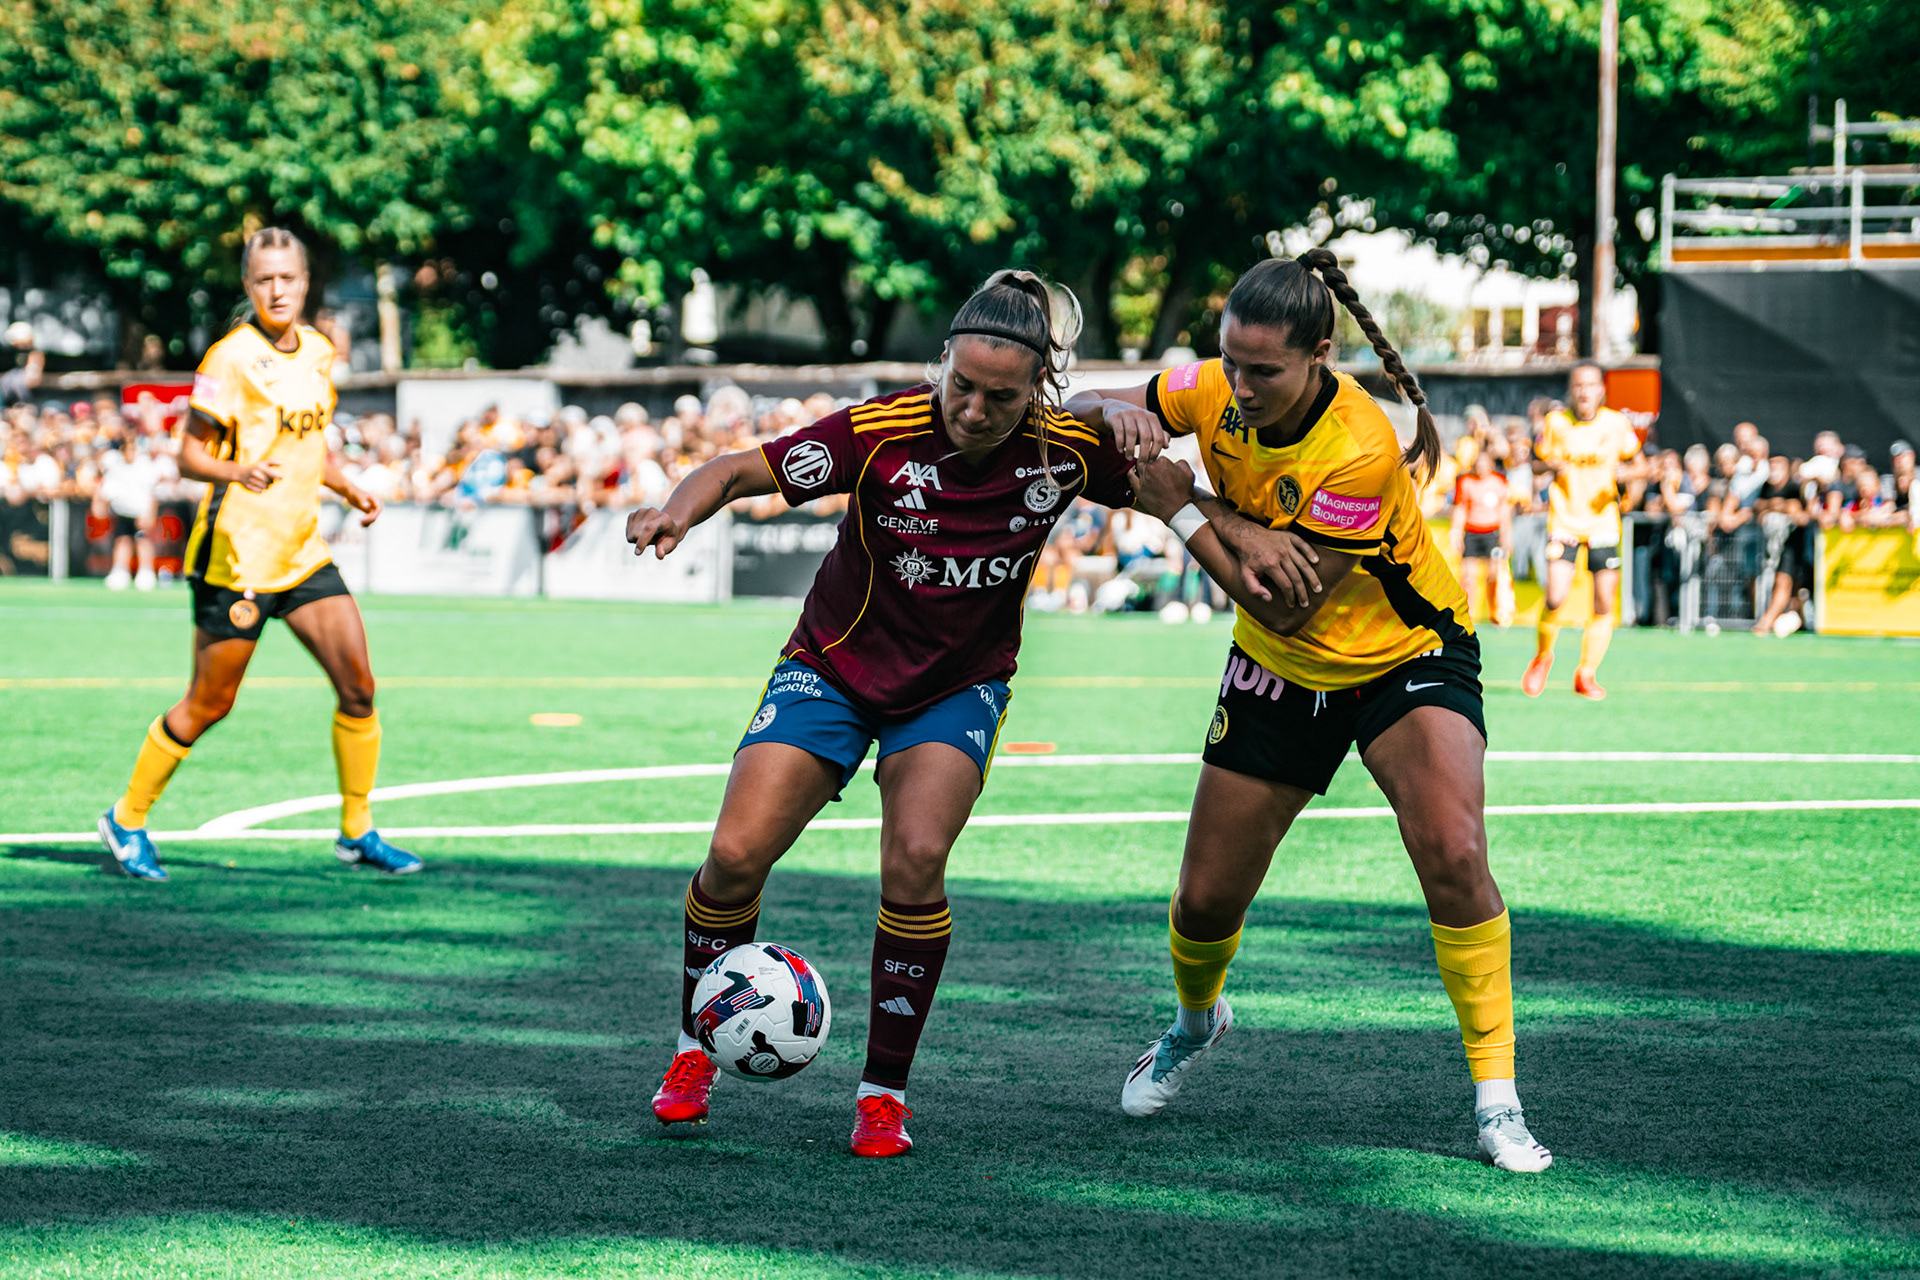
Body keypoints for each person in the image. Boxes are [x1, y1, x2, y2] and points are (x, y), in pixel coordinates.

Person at [627, 270, 1136, 1158]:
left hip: (956, 687)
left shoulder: (1065, 449)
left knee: (916, 856)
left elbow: (1173, 489)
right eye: (961, 386)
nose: (974, 409)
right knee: (736, 854)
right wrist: (677, 510)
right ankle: (691, 1050)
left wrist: (1231, 529)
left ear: (1038, 393)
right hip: (830, 669)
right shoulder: (880, 429)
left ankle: (882, 1096)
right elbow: (741, 469)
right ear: (941, 364)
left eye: (1001, 397)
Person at [1067, 248, 1552, 1173]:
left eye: (1264, 370)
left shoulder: (1359, 448)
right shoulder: (1210, 385)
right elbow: (1089, 411)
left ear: (1321, 354)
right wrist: (1120, 410)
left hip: (1402, 657)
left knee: (1453, 855)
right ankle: (1193, 1023)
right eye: (1231, 363)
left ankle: (1498, 1100)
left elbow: (1285, 598)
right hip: (1278, 669)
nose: (1240, 387)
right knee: (1205, 902)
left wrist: (1179, 512)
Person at [96, 228, 418, 882]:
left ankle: (357, 832)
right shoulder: (230, 358)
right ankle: (126, 819)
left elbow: (309, 444)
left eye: (288, 278)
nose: (277, 290)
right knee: (208, 704)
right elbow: (189, 454)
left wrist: (346, 481)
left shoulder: (321, 352)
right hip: (235, 560)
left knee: (359, 686)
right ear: (248, 286)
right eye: (264, 279)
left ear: (305, 284)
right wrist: (235, 470)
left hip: (301, 554)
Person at [1522, 364, 1644, 701]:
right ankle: (1542, 657)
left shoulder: (1616, 424)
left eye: (1591, 385)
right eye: (1579, 385)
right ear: (1571, 390)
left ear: (1602, 389)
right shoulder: (1556, 423)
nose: (1585, 391)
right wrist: (1549, 466)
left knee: (1604, 602)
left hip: (1604, 523)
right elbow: (1534, 462)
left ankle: (1586, 673)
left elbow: (1641, 465)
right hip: (1565, 522)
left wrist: (1629, 474)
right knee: (1555, 596)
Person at [1450, 447, 1514, 626]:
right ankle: (1466, 616)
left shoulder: (1498, 483)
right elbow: (1461, 509)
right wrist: (1456, 532)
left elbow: (1504, 512)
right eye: (1478, 464)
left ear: (1491, 465)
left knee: (1493, 575)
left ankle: (1496, 613)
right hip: (1471, 533)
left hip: (1491, 533)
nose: (1481, 467)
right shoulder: (1466, 482)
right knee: (1468, 576)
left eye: (1485, 464)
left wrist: (1506, 537)